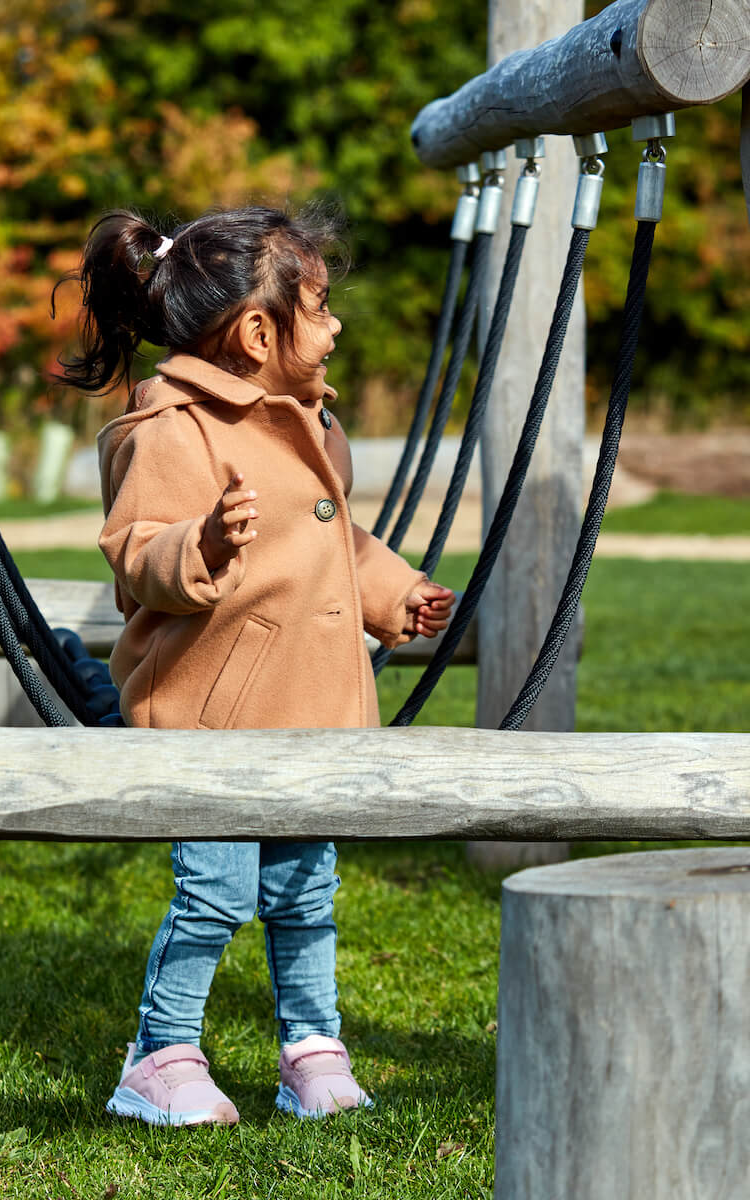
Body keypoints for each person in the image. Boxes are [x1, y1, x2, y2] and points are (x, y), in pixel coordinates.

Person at [56, 204, 455, 1127]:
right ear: (258, 331)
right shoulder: (174, 430)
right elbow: (135, 551)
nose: (337, 323)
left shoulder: (304, 420)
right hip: (215, 716)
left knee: (306, 889)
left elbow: (331, 542)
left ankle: (311, 1049)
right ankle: (160, 1055)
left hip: (309, 710)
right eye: (321, 306)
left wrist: (397, 597)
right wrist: (197, 542)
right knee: (215, 894)